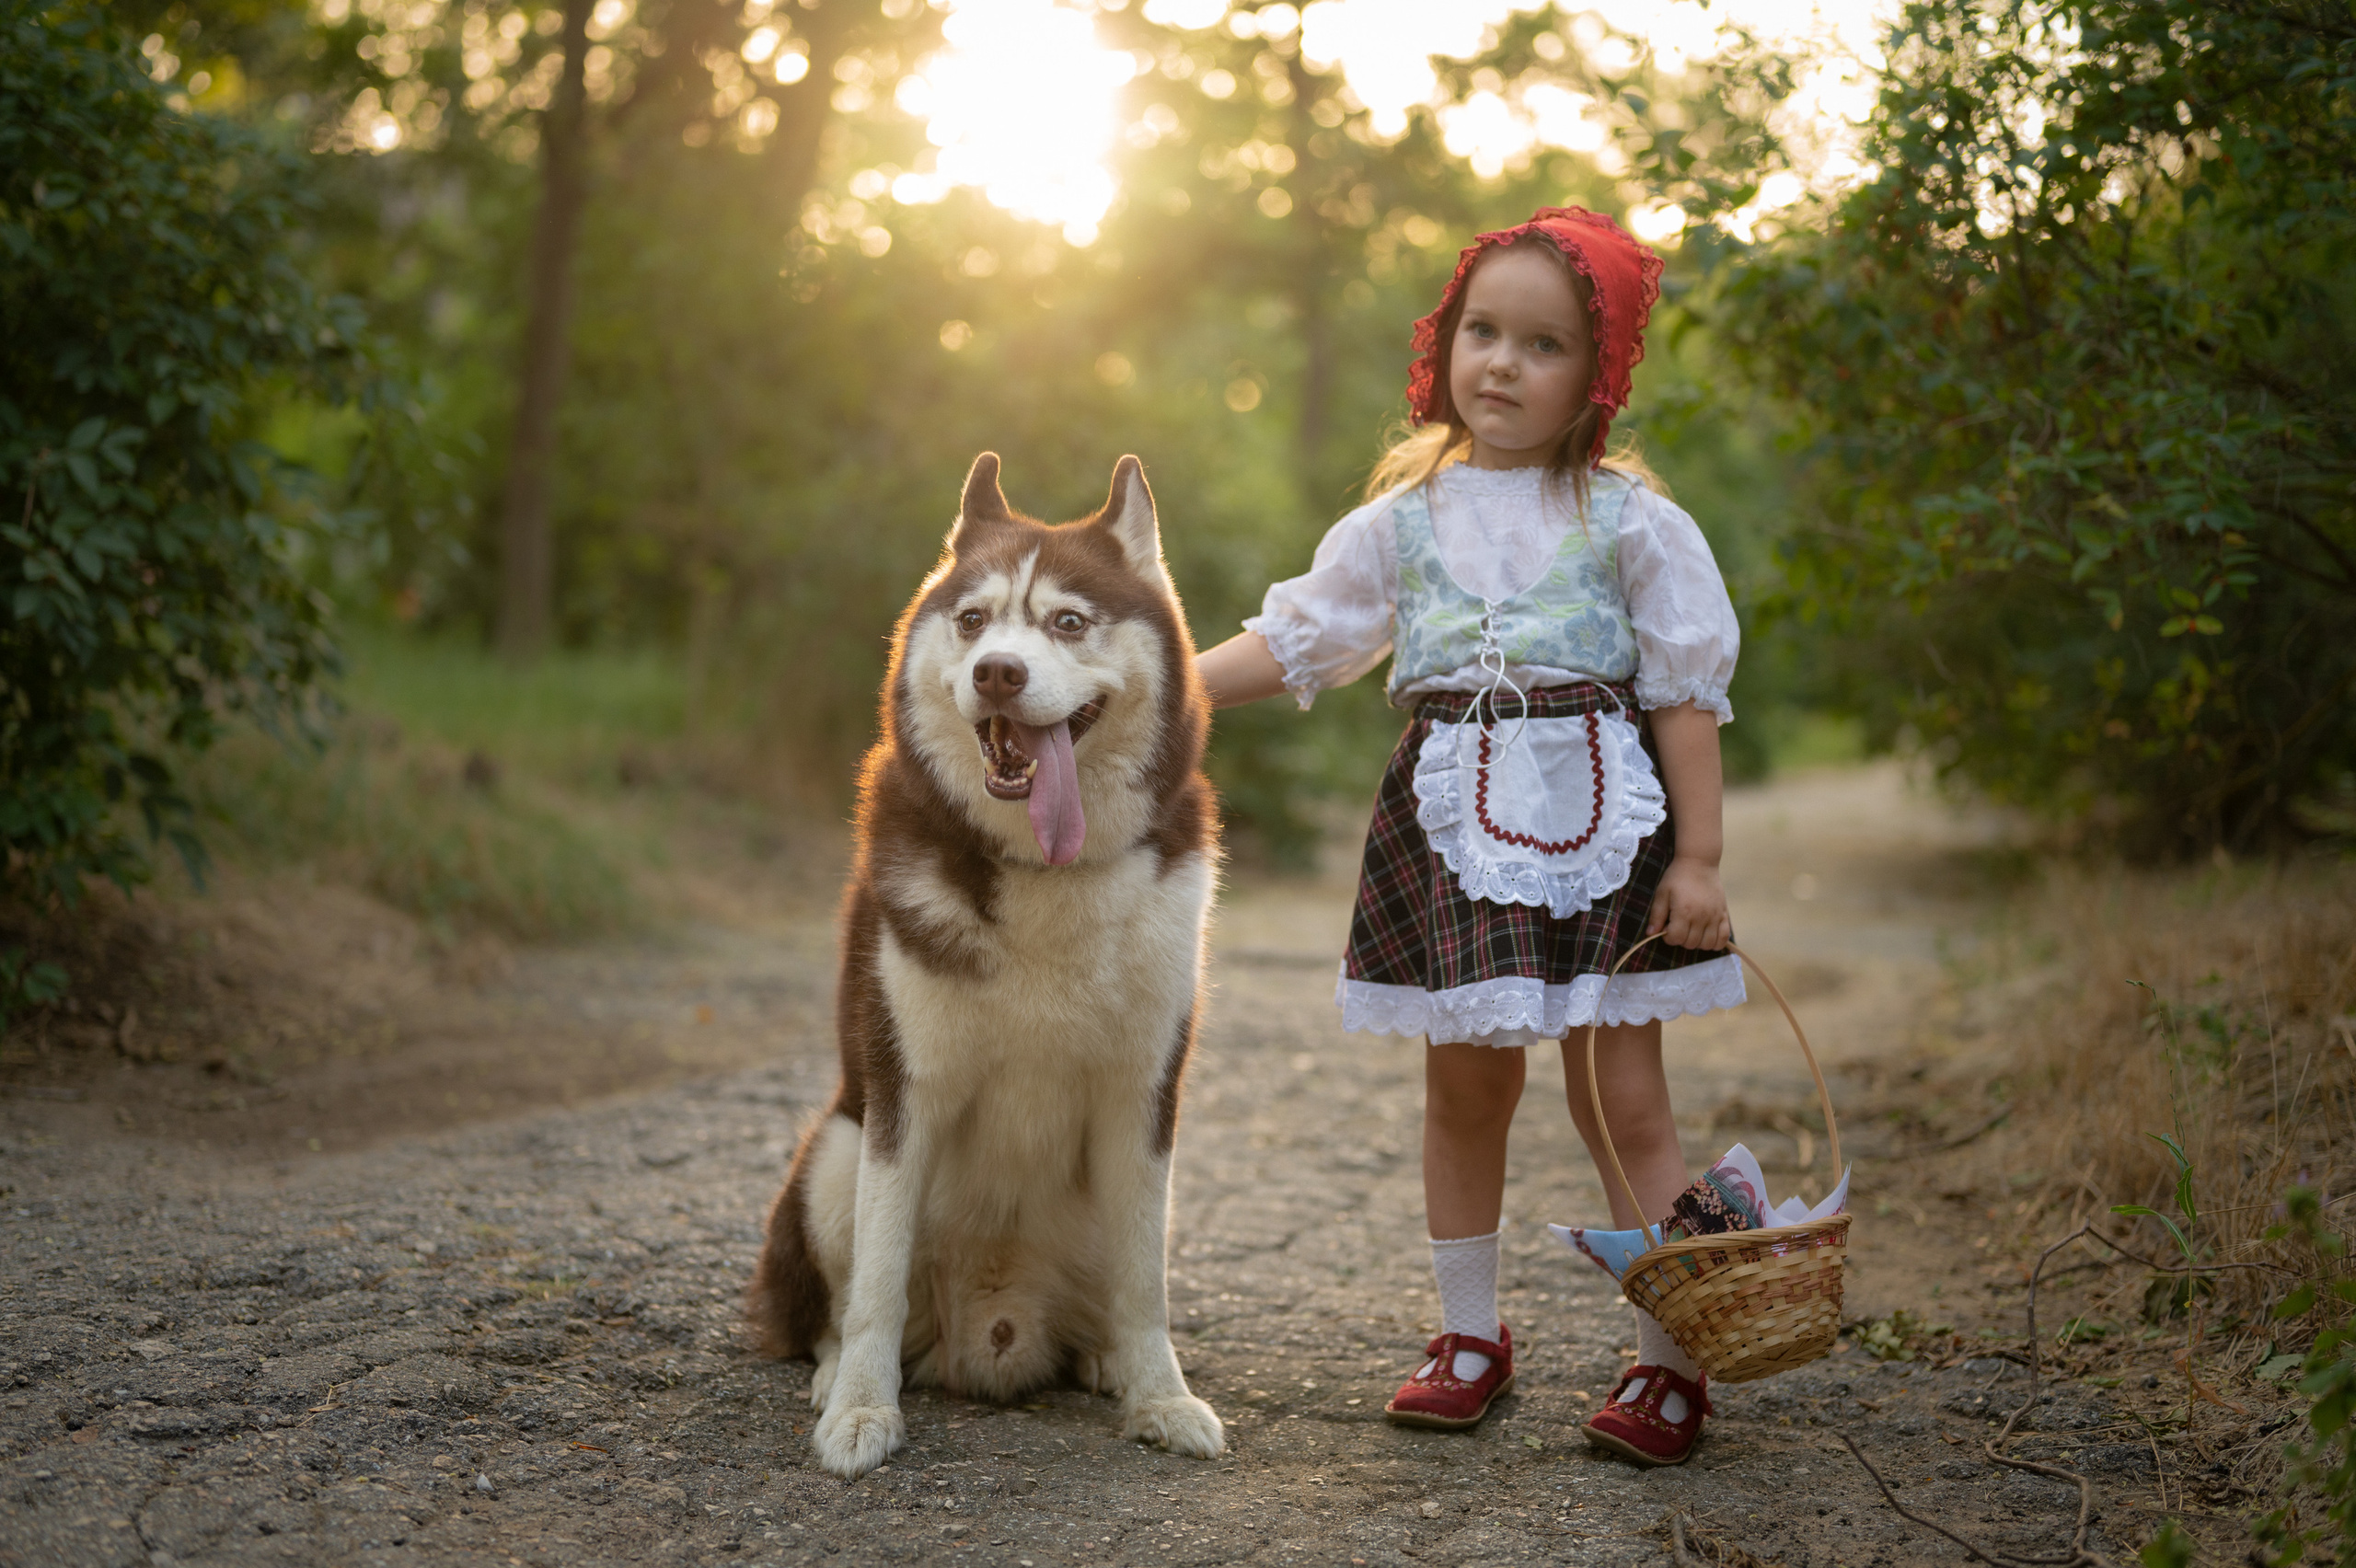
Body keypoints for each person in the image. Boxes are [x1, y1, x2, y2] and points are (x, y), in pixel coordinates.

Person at [1195, 207, 1743, 1468]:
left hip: (1613, 828)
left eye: (1541, 344)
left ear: (1593, 379)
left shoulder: (1631, 524)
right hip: (1456, 832)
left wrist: (1702, 860)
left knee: (1625, 1100)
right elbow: (1298, 640)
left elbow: (1683, 696)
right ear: (1443, 345)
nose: (1500, 363)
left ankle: (1669, 1359)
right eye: (1480, 332)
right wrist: (1163, 675)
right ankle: (1467, 1335)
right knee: (1467, 1086)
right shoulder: (1402, 523)